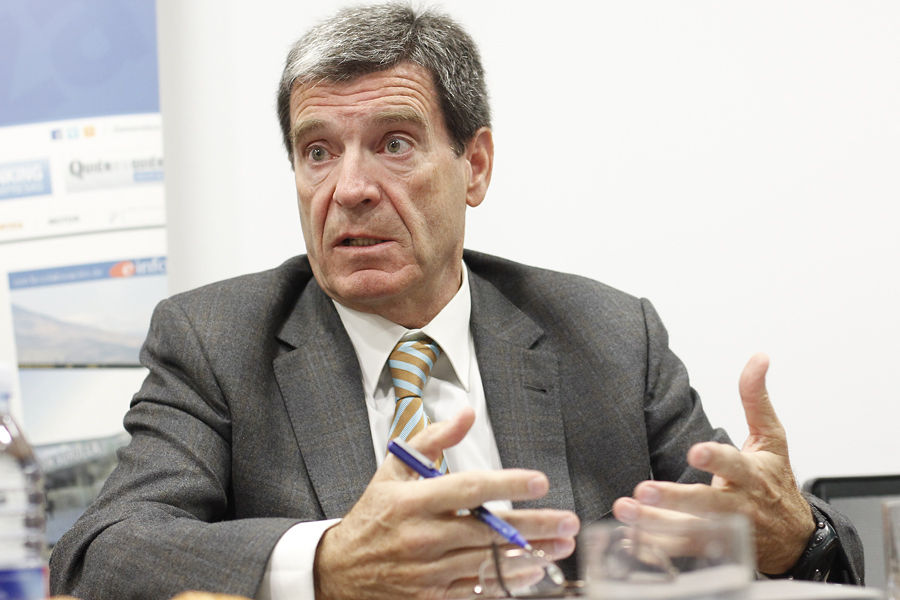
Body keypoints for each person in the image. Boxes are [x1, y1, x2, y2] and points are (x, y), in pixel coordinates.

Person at [49, 4, 863, 599]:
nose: (350, 189)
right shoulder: (216, 342)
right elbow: (101, 554)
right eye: (317, 152)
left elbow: (734, 537)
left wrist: (797, 538)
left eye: (394, 144)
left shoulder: (610, 337)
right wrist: (329, 562)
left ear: (474, 166)